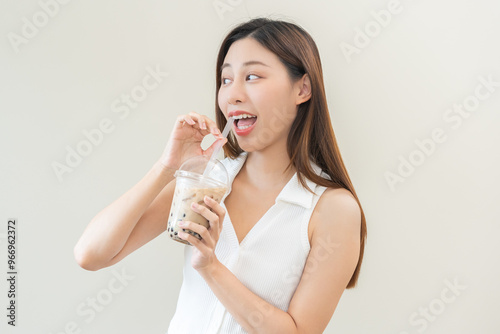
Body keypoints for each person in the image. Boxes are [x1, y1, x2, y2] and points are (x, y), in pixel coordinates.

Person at [74, 17, 367, 334]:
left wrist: (211, 267)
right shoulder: (204, 183)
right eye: (225, 80)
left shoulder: (333, 210)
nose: (233, 95)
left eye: (252, 76)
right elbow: (91, 254)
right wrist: (167, 168)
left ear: (302, 88)